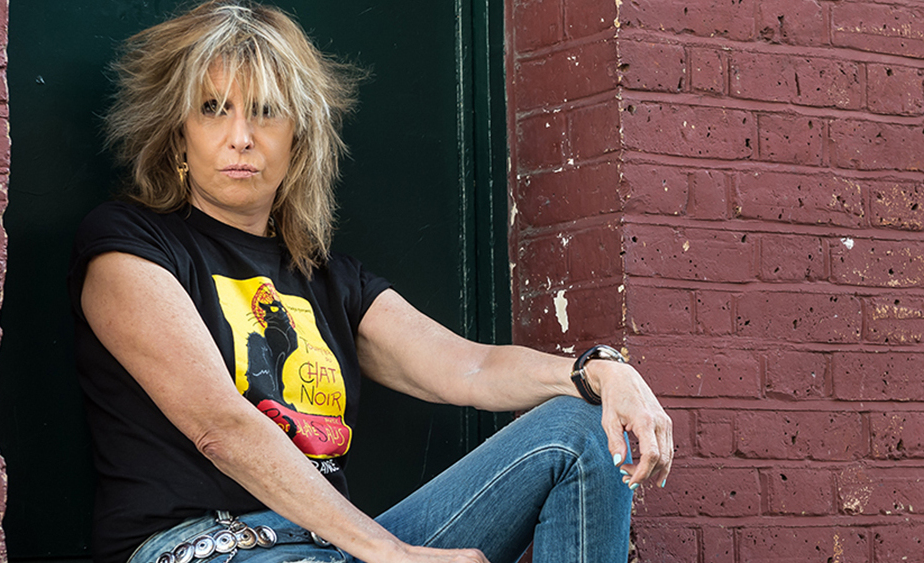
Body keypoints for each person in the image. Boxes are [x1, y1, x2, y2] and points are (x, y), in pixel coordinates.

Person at [68, 2, 673, 562]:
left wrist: (600, 372)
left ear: (297, 138)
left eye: (265, 111)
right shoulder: (128, 246)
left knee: (581, 427)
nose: (240, 136)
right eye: (212, 109)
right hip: (201, 547)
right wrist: (393, 555)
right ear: (179, 136)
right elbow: (220, 428)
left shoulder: (328, 279)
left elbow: (470, 369)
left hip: (332, 545)